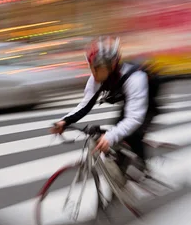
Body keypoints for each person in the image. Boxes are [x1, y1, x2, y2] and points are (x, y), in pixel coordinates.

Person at [51, 36, 159, 176]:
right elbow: (85, 104)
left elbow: (134, 118)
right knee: (116, 133)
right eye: (91, 67)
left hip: (148, 101)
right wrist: (64, 121)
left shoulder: (135, 78)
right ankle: (122, 177)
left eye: (98, 68)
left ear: (112, 65)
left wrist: (110, 137)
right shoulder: (96, 78)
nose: (93, 73)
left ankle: (144, 169)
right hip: (128, 100)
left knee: (132, 134)